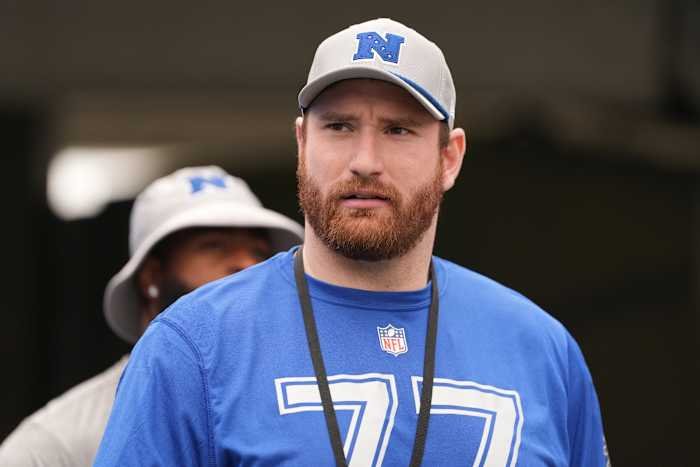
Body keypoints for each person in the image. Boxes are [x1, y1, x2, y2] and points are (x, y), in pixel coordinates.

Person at [95, 19, 611, 466]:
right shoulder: (192, 346)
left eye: (398, 130)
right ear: (302, 143)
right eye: (339, 126)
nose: (365, 161)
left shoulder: (542, 350)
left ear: (449, 158)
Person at [0, 166, 303, 467]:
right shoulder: (59, 442)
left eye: (258, 251)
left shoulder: (301, 405)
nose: (246, 264)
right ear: (151, 276)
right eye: (214, 246)